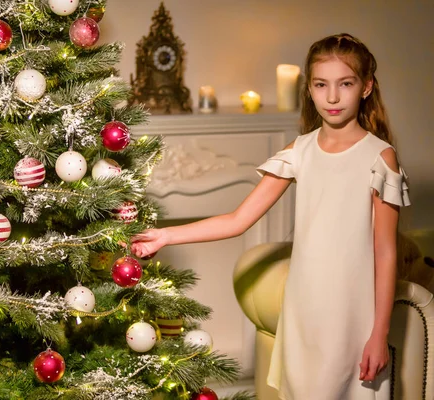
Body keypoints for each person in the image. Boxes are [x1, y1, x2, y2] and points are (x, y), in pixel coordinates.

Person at [130, 33, 410, 400]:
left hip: (352, 316)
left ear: (366, 86)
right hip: (303, 309)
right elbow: (237, 220)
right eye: (321, 84)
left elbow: (385, 252)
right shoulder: (300, 151)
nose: (333, 96)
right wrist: (166, 236)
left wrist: (379, 333)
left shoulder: (380, 157)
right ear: (308, 89)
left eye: (345, 83)